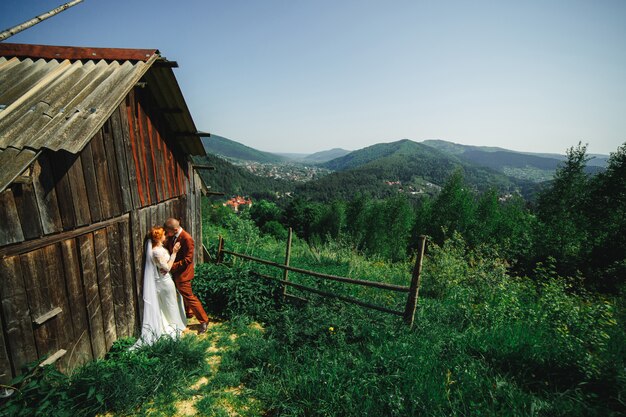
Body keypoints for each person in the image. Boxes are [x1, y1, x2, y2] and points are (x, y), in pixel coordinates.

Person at [134, 226, 188, 347]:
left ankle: (176, 324)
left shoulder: (160, 248)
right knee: (171, 303)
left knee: (172, 302)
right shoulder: (156, 252)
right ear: (159, 238)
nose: (165, 236)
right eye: (164, 234)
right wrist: (174, 252)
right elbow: (167, 268)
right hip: (164, 282)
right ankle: (176, 326)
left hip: (166, 279)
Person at [164, 218, 209, 334]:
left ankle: (204, 321)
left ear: (174, 230)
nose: (166, 233)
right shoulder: (174, 236)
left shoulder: (187, 238)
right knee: (184, 294)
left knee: (189, 297)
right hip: (177, 273)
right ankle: (189, 313)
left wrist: (172, 266)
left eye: (167, 231)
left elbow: (188, 260)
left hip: (184, 274)